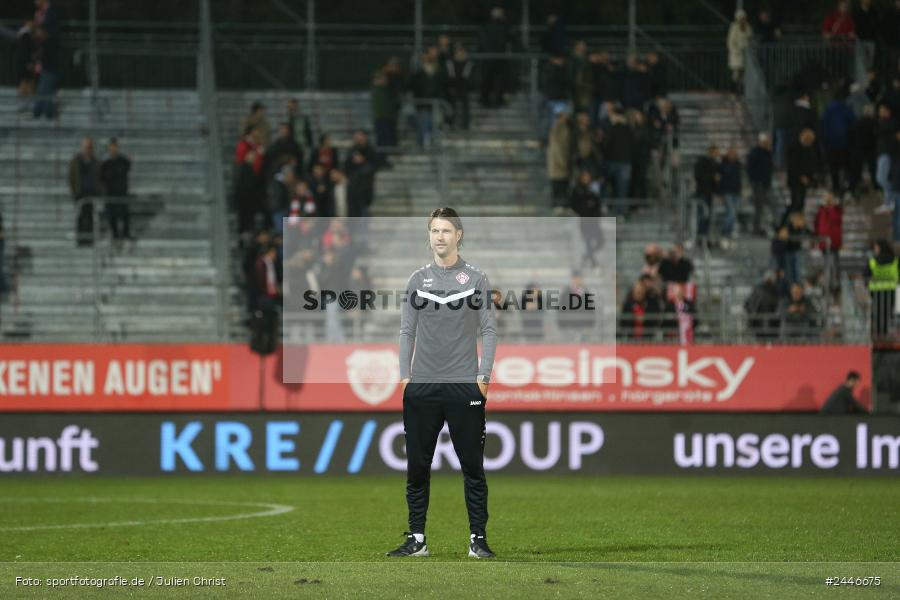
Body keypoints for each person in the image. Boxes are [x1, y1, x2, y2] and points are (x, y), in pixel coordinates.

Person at [389, 207, 497, 560]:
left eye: (446, 231)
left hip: (464, 385)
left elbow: (489, 329)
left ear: (459, 235)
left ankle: (477, 540)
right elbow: (407, 331)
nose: (439, 237)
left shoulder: (477, 280)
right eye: (434, 230)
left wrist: (483, 378)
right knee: (417, 467)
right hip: (422, 387)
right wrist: (405, 377)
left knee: (472, 468)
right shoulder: (417, 280)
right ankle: (417, 538)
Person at [821, 85, 856, 195]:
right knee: (847, 166)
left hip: (831, 143)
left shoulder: (827, 110)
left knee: (833, 167)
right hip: (845, 143)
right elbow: (853, 124)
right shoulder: (846, 109)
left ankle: (836, 186)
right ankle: (849, 186)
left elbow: (823, 126)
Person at [68, 138, 102, 246]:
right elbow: (71, 177)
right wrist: (74, 191)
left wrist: (99, 190)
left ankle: (90, 240)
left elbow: (100, 178)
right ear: (82, 148)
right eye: (85, 147)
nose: (87, 149)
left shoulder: (96, 162)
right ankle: (81, 240)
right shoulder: (76, 161)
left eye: (89, 147)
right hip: (80, 193)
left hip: (92, 193)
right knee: (80, 216)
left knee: (91, 216)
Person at [478, 7, 513, 108]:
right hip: (499, 58)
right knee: (499, 80)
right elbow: (512, 37)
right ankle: (497, 101)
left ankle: (485, 100)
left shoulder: (485, 26)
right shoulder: (504, 26)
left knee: (487, 79)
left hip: (488, 58)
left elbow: (481, 42)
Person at [31, 0, 60, 120]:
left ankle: (40, 110)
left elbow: (51, 33)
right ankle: (46, 110)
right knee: (47, 81)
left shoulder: (51, 13)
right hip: (46, 54)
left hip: (49, 54)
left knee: (47, 80)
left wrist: (40, 31)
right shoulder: (43, 13)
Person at [100, 138, 132, 243]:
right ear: (109, 148)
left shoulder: (123, 161)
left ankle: (126, 235)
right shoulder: (106, 163)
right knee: (112, 216)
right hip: (110, 193)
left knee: (124, 215)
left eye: (115, 147)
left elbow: (127, 169)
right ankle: (115, 236)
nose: (113, 149)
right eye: (111, 147)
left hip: (122, 193)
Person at [867, 239, 898, 338]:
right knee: (887, 313)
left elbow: (866, 275)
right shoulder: (896, 260)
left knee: (877, 313)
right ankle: (884, 332)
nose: (875, 249)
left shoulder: (873, 261)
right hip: (890, 290)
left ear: (880, 247)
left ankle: (878, 333)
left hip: (876, 291)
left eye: (876, 247)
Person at [814, 192, 843, 294]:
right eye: (826, 198)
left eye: (830, 198)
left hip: (834, 243)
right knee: (828, 264)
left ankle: (833, 286)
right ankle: (829, 286)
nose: (828, 200)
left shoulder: (837, 210)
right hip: (824, 243)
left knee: (833, 264)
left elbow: (836, 220)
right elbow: (817, 226)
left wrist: (831, 207)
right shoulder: (820, 211)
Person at [786, 128, 820, 215]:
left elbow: (811, 165)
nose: (810, 142)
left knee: (800, 204)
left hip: (803, 181)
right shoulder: (794, 148)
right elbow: (792, 166)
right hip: (795, 181)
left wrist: (810, 178)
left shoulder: (810, 150)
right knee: (795, 203)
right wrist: (801, 176)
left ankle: (798, 223)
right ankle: (790, 224)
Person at [746, 133, 774, 236]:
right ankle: (756, 228)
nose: (767, 143)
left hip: (765, 183)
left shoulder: (768, 153)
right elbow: (749, 168)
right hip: (758, 183)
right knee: (759, 207)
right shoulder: (755, 153)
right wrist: (755, 180)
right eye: (765, 142)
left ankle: (762, 227)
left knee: (764, 207)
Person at [694, 145, 721, 246]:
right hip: (702, 192)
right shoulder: (702, 162)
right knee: (702, 215)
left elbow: (716, 181)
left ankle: (705, 237)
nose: (717, 154)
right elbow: (698, 176)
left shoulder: (715, 164)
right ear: (710, 151)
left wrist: (717, 192)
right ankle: (700, 237)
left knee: (707, 216)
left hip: (710, 193)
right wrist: (712, 177)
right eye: (715, 151)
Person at [547, 111, 572, 213]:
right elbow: (557, 147)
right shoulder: (558, 128)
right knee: (558, 184)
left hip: (560, 162)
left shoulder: (562, 127)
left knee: (562, 184)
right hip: (558, 163)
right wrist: (563, 161)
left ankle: (561, 205)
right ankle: (557, 205)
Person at [444, 45, 473, 131]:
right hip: (452, 89)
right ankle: (449, 123)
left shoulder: (468, 64)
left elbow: (470, 79)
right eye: (458, 52)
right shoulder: (450, 64)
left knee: (465, 105)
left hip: (464, 89)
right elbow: (448, 78)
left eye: (462, 52)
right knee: (450, 105)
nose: (460, 54)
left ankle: (466, 124)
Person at [718, 146, 742, 248]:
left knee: (733, 214)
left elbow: (739, 179)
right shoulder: (723, 165)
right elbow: (719, 180)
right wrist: (720, 193)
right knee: (731, 213)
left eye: (734, 153)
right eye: (731, 153)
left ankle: (729, 235)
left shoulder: (738, 165)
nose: (733, 155)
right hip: (727, 192)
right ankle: (724, 233)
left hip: (736, 192)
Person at [372, 70, 400, 147]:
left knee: (390, 138)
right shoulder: (376, 90)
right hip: (380, 118)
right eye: (378, 78)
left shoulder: (390, 89)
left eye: (382, 78)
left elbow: (397, 103)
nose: (381, 80)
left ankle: (391, 154)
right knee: (381, 138)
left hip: (389, 117)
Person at [727, 10, 753, 92]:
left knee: (743, 74)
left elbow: (750, 37)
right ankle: (734, 91)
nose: (743, 19)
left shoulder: (748, 27)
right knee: (736, 74)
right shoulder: (734, 27)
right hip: (736, 54)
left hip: (746, 54)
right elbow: (730, 42)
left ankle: (741, 91)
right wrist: (736, 50)